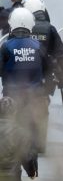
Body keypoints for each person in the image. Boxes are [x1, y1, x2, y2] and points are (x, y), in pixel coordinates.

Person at [21, 0, 63, 153]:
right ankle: (40, 143)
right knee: (42, 106)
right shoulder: (49, 28)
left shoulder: (22, 27)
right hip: (46, 77)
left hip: (24, 74)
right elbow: (61, 54)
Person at [0, 9, 49, 162]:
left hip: (11, 95)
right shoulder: (38, 46)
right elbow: (47, 68)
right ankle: (36, 146)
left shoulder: (6, 47)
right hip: (35, 94)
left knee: (9, 124)